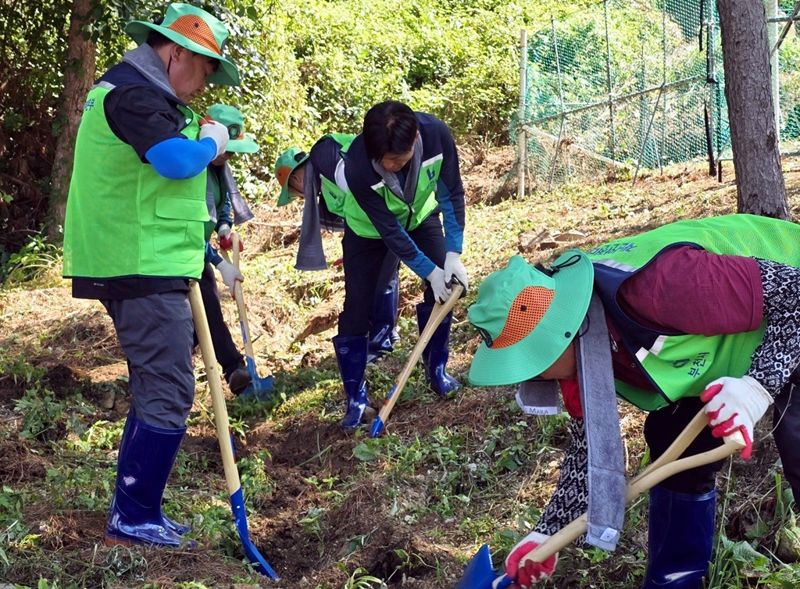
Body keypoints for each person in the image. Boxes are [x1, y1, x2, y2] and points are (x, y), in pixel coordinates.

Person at [466, 214, 800, 588]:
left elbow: (796, 294)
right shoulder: (581, 343)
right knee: (670, 433)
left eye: (534, 363)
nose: (534, 376)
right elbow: (591, 445)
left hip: (792, 306)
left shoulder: (664, 286)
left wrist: (757, 387)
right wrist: (549, 532)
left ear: (556, 333)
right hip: (738, 342)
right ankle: (674, 582)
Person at [62, 3, 239, 547]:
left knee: (158, 384)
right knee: (167, 386)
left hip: (148, 260)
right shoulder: (134, 95)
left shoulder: (139, 93)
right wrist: (213, 143)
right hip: (136, 264)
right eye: (205, 70)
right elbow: (174, 164)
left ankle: (137, 509)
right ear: (177, 52)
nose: (202, 83)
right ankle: (134, 516)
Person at [310, 101, 468, 430]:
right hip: (368, 230)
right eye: (385, 160)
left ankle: (436, 370)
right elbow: (391, 233)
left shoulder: (437, 136)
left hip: (421, 217)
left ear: (414, 142)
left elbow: (451, 193)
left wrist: (452, 254)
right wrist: (429, 270)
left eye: (398, 159)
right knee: (358, 306)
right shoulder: (356, 164)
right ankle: (355, 397)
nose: (391, 166)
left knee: (444, 288)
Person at [274, 136, 401, 365]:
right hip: (366, 232)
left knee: (383, 281)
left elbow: (362, 187)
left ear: (297, 178)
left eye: (295, 190)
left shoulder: (327, 159)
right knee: (374, 283)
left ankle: (381, 342)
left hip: (386, 219)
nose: (301, 195)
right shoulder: (325, 189)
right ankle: (379, 338)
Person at [199, 102, 265, 399]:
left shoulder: (221, 168)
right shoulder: (193, 168)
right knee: (194, 318)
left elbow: (223, 202)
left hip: (196, 251)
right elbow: (182, 224)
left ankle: (235, 370)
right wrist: (218, 262)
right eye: (225, 148)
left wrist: (224, 228)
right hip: (174, 252)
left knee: (209, 309)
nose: (228, 156)